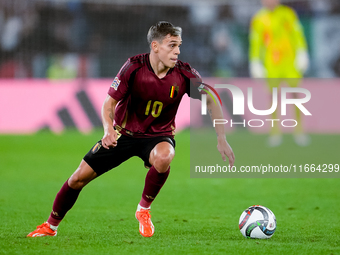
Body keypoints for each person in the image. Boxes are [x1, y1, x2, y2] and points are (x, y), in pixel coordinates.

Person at [27, 21, 235, 238]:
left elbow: (211, 99)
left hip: (158, 136)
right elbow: (108, 103)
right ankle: (50, 226)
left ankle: (143, 209)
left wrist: (221, 138)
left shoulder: (184, 74)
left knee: (165, 157)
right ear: (155, 46)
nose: (177, 52)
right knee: (77, 179)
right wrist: (108, 130)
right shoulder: (134, 67)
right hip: (123, 135)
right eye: (172, 45)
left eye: (179, 46)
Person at [249, 0, 310, 147]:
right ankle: (275, 131)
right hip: (272, 63)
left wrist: (302, 52)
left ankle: (299, 130)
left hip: (290, 61)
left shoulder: (288, 14)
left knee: (295, 95)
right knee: (273, 97)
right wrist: (255, 61)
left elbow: (297, 34)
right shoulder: (258, 18)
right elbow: (256, 41)